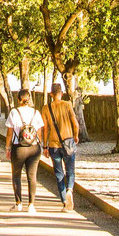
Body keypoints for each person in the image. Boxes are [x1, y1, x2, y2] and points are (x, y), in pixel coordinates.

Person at [4, 88, 45, 213]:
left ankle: (18, 203)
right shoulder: (35, 113)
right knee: (32, 176)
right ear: (29, 99)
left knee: (16, 175)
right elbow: (39, 132)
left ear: (18, 99)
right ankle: (31, 205)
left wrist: (8, 148)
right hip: (34, 147)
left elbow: (9, 133)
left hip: (19, 147)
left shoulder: (14, 112)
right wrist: (40, 145)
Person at [41, 83, 80, 211]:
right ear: (61, 93)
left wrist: (45, 146)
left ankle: (64, 201)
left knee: (59, 173)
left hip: (53, 145)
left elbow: (45, 128)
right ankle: (69, 189)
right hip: (68, 142)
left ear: (51, 94)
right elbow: (75, 123)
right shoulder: (67, 105)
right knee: (70, 170)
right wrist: (75, 135)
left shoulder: (46, 108)